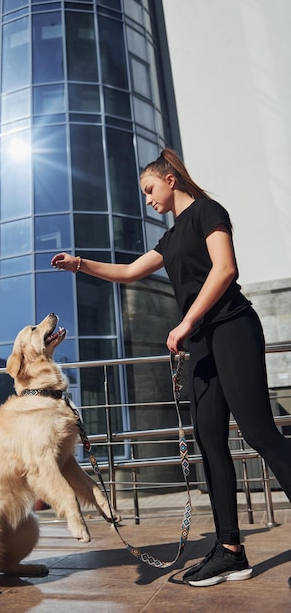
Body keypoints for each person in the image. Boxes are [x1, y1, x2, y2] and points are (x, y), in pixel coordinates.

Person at [51, 148, 291, 588]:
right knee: (210, 444)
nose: (147, 200)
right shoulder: (172, 236)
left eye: (149, 190)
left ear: (170, 179)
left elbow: (225, 269)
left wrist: (186, 320)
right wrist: (79, 264)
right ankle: (230, 552)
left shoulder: (206, 211)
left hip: (232, 326)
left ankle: (233, 550)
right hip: (200, 342)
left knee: (260, 434)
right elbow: (128, 272)